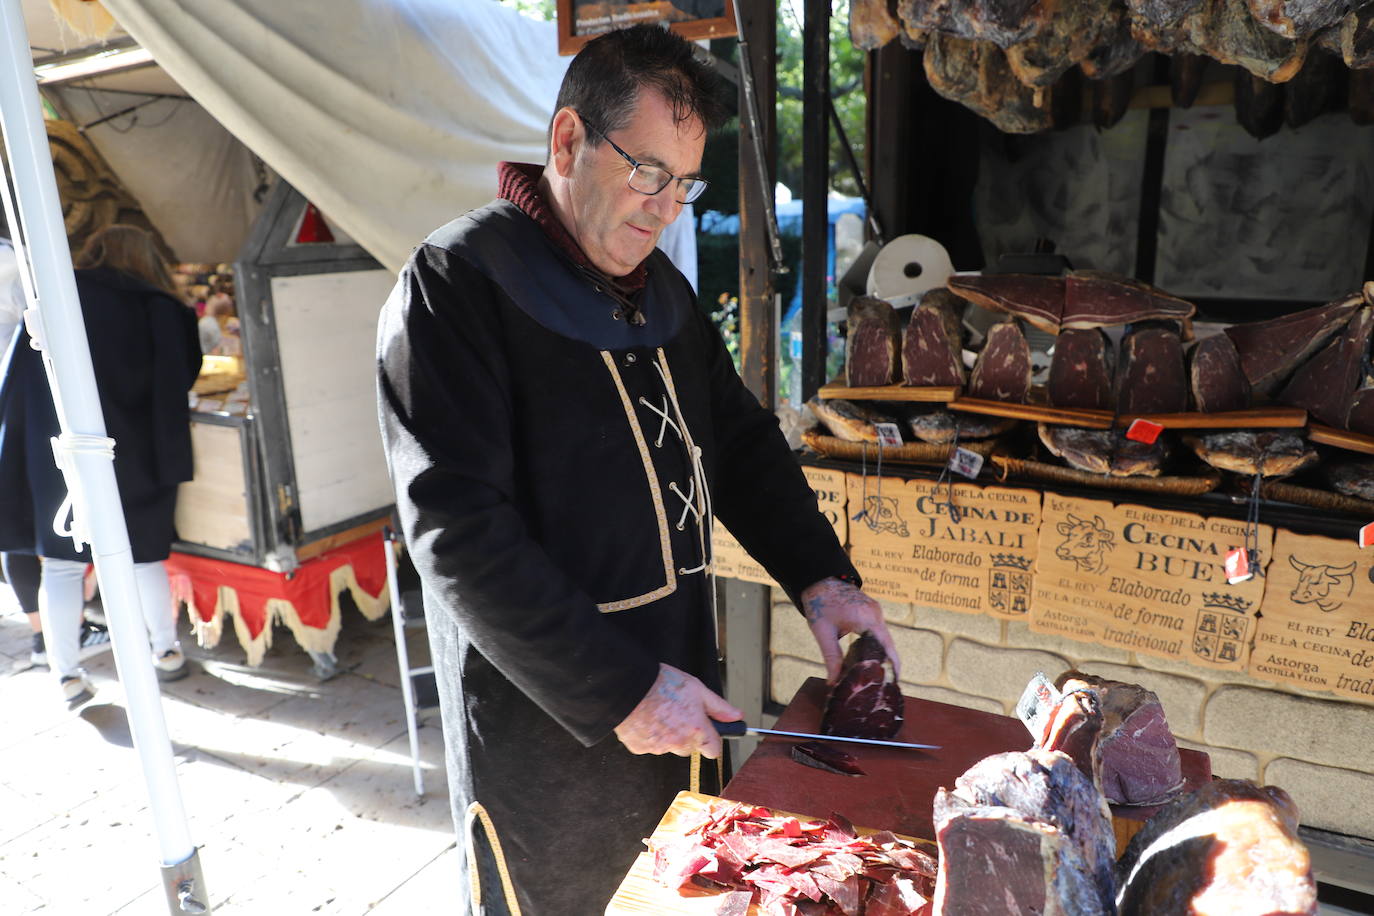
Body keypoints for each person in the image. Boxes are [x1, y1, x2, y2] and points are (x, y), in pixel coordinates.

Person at [377, 25, 898, 914]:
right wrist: (621, 690)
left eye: (685, 184)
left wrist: (821, 578)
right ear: (569, 140)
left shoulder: (662, 291)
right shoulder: (458, 284)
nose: (665, 209)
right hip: (551, 737)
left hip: (681, 692)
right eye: (648, 172)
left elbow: (734, 442)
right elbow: (456, 532)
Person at [0, 224, 201, 700]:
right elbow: (185, 375)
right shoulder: (162, 307)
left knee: (64, 566)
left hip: (59, 449)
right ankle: (166, 651)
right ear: (149, 258)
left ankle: (67, 675)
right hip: (139, 450)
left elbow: (20, 375)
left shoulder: (56, 298)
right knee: (144, 556)